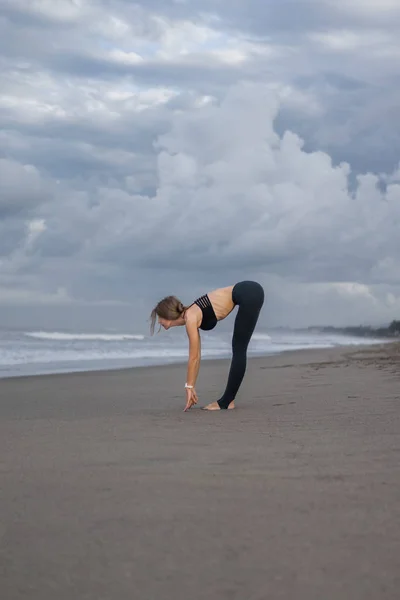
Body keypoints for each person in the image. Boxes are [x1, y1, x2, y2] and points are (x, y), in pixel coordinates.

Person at [150, 281, 265, 411]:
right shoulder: (191, 315)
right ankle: (228, 400)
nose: (159, 321)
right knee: (239, 348)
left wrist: (189, 387)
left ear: (167, 314)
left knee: (239, 349)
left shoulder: (191, 317)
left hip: (248, 292)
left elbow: (193, 357)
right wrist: (191, 386)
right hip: (249, 291)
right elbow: (197, 355)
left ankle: (227, 402)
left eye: (160, 317)